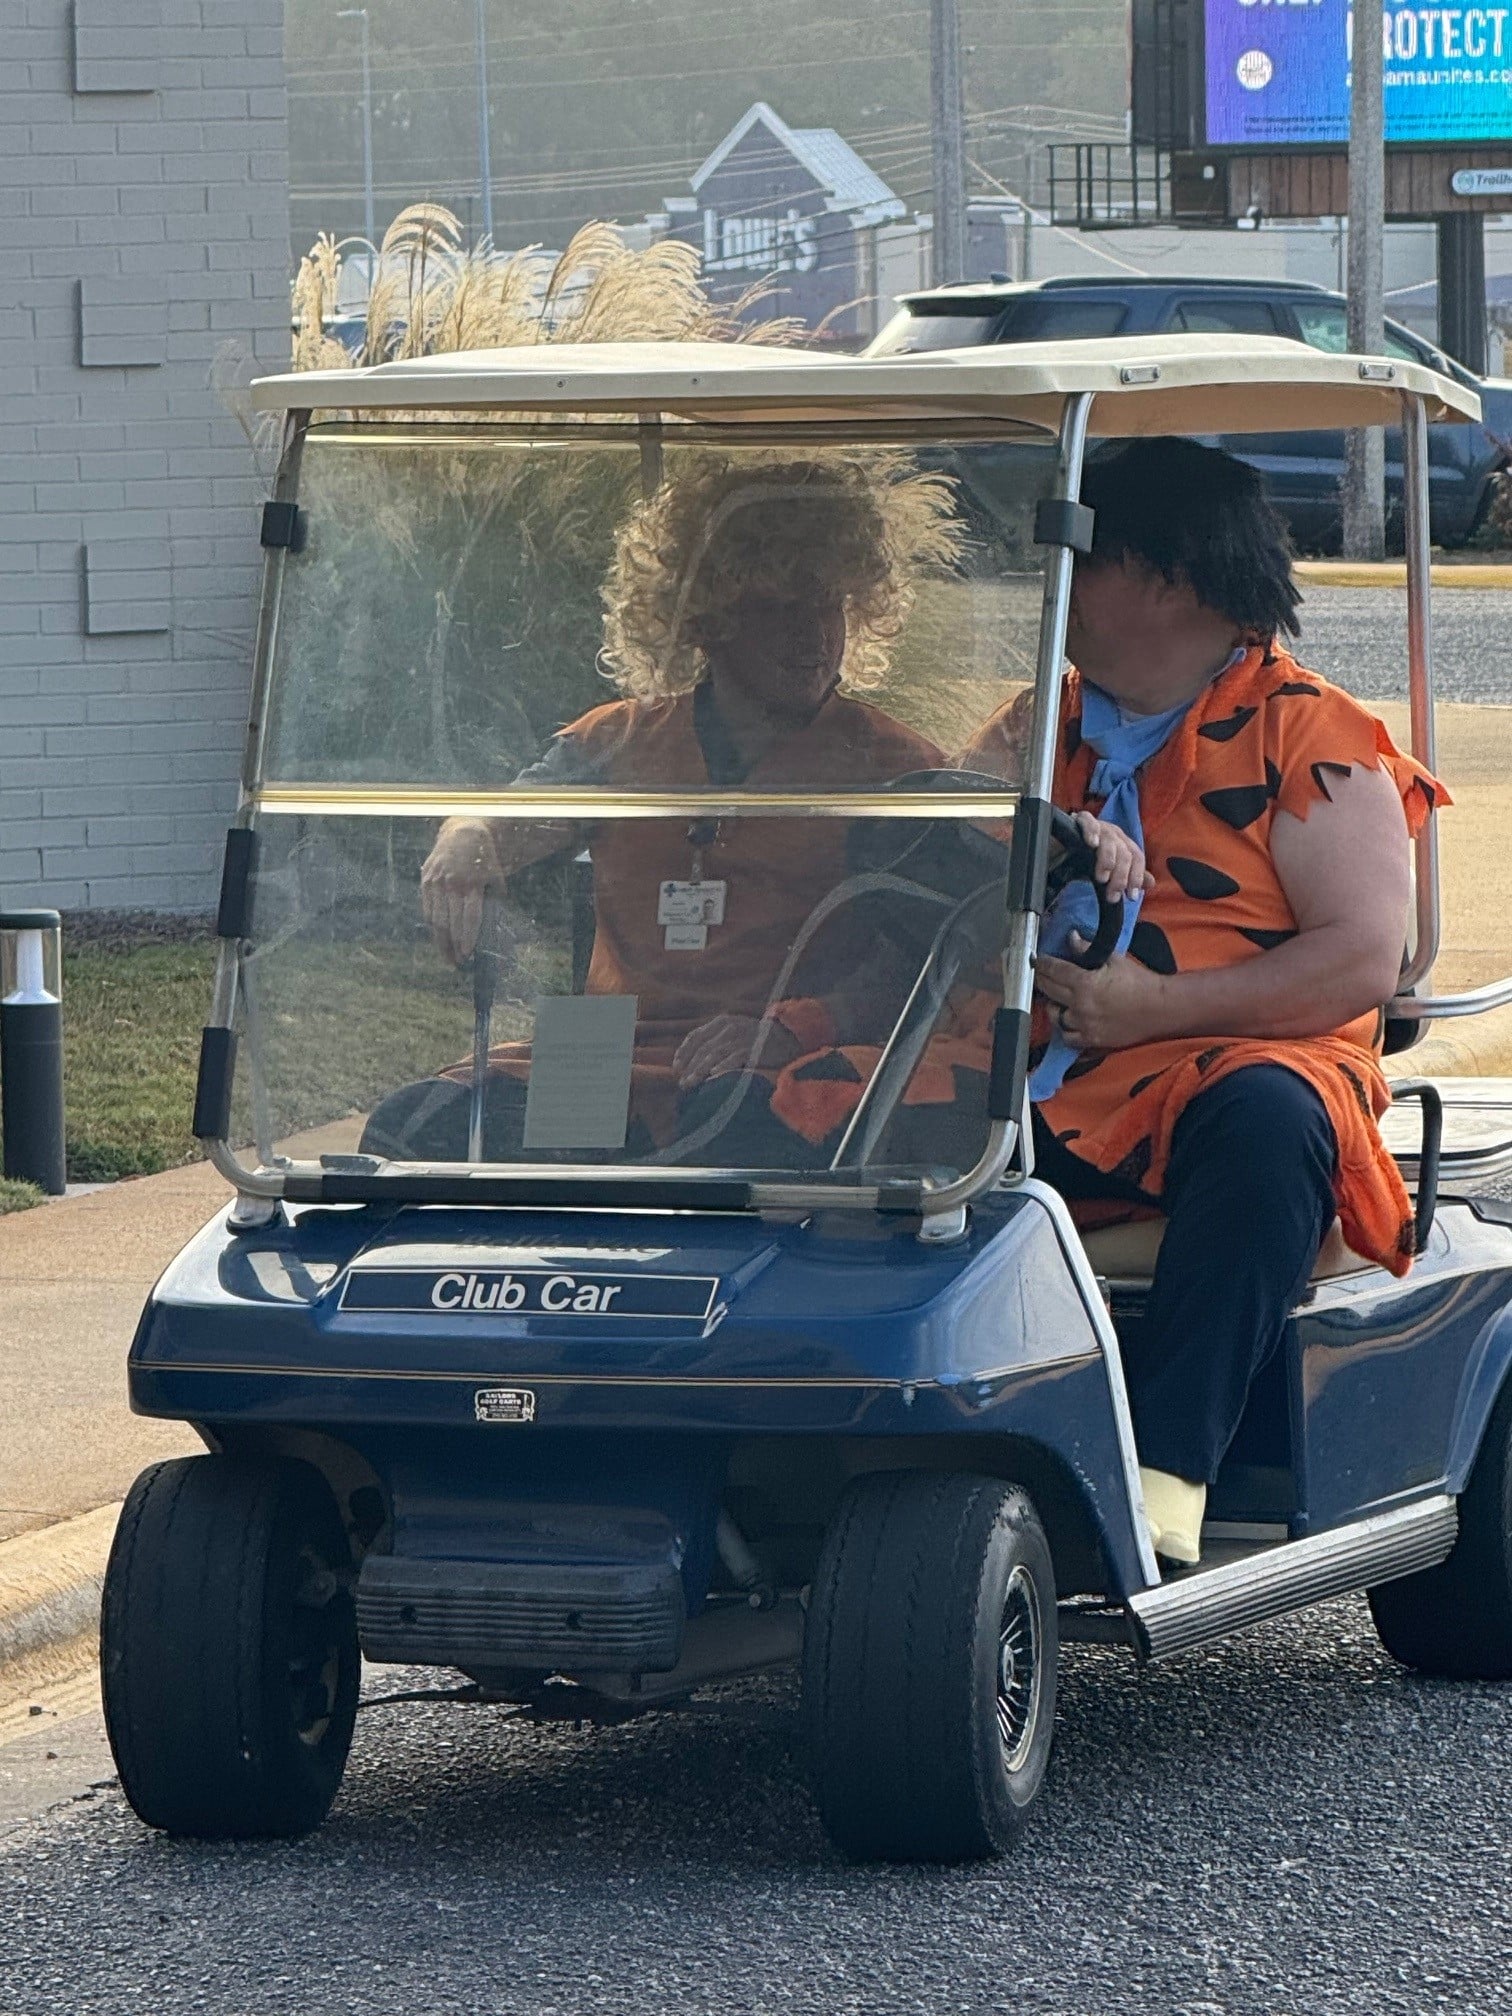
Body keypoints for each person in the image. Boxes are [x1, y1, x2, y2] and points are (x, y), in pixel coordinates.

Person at [961, 436, 1448, 1569]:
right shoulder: (1041, 722)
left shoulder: (1313, 735)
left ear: (1165, 576)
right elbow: (938, 862)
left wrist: (1151, 1011)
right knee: (836, 1106)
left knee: (1271, 1118)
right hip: (1032, 1067)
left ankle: (1167, 1477)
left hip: (1232, 1066)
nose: (1057, 593)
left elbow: (1360, 961)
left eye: (1081, 562)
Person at [364, 450, 965, 1165]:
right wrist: (463, 838)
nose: (813, 636)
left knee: (726, 1145)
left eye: (828, 605)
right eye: (778, 608)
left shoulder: (900, 768)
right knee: (409, 1133)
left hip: (774, 1061)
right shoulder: (620, 739)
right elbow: (505, 821)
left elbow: (933, 960)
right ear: (703, 619)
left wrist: (795, 1029)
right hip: (605, 1052)